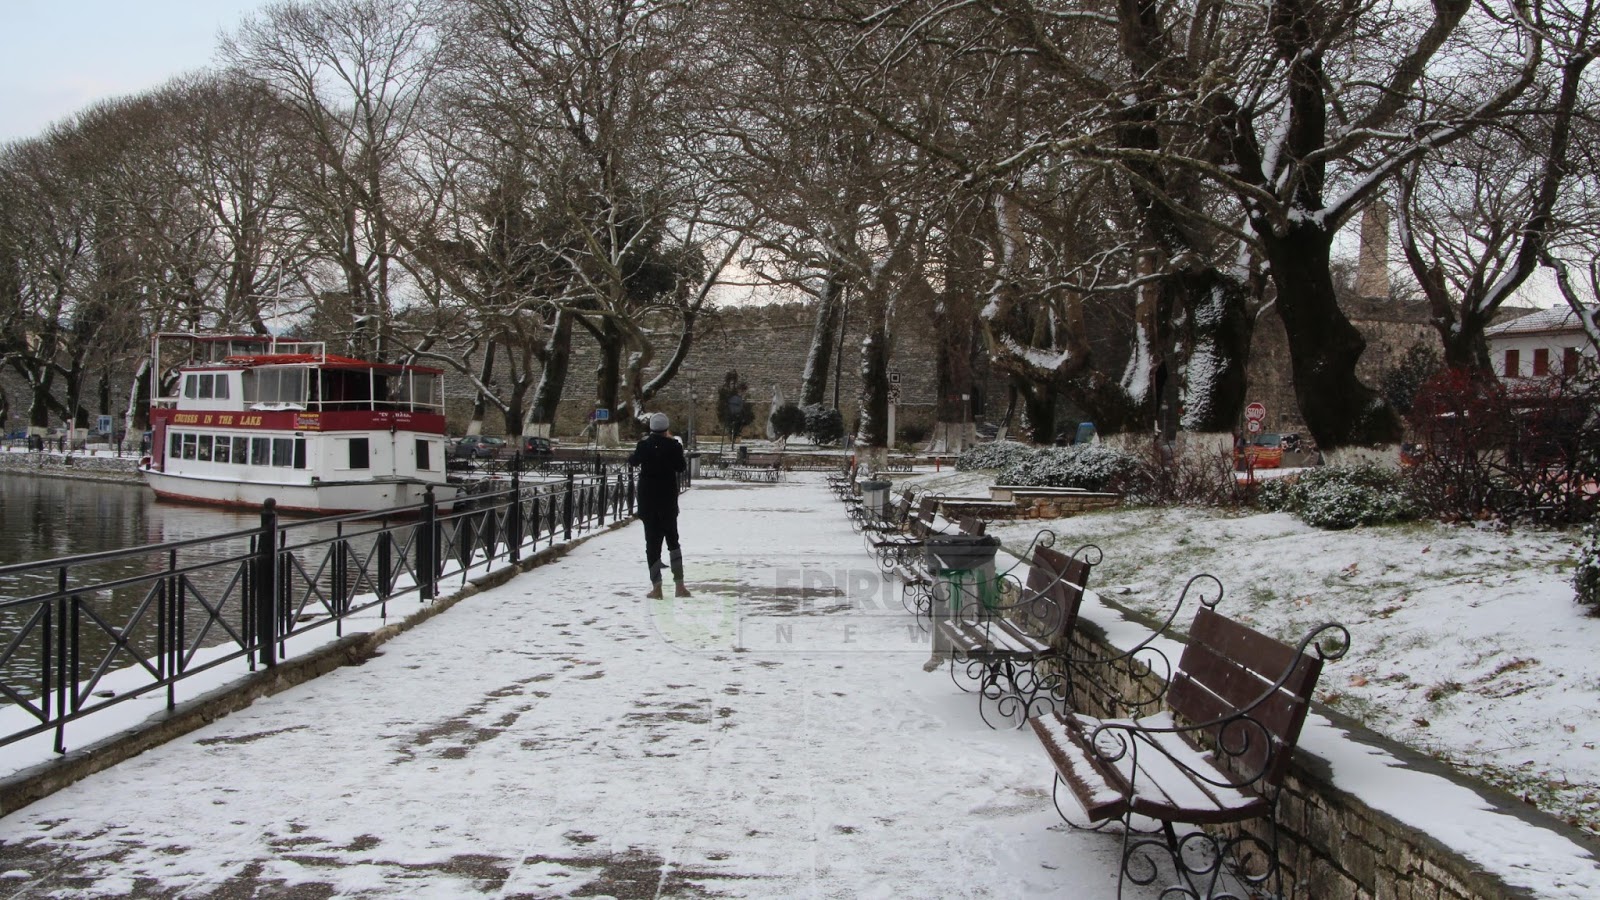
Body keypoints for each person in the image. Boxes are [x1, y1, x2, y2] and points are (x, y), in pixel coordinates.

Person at [628, 412, 689, 599]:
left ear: (651, 428)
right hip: (667, 500)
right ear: (666, 428)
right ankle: (679, 586)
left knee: (652, 545)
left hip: (648, 500)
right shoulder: (674, 446)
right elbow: (681, 467)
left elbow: (633, 461)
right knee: (673, 542)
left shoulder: (644, 446)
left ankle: (657, 588)